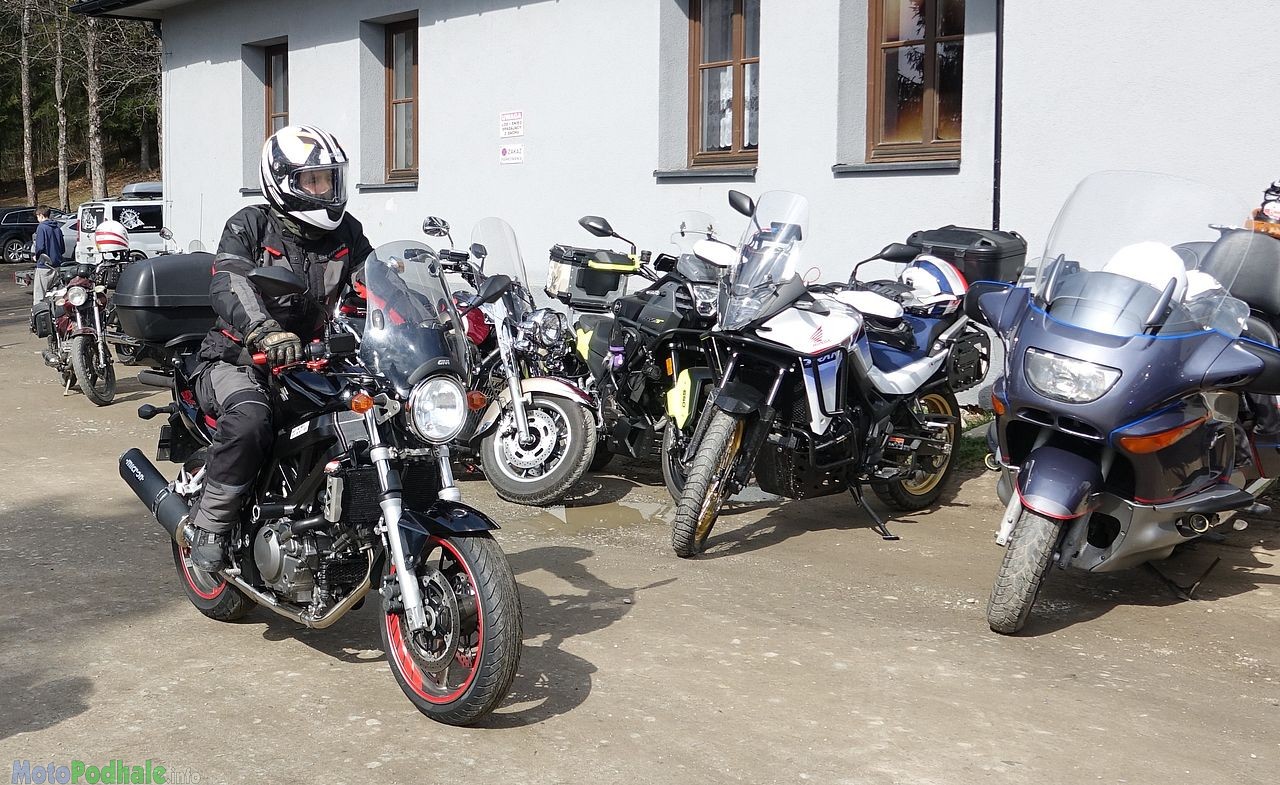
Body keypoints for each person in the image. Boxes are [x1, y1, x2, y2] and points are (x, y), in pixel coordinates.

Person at [186, 125, 373, 571]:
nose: (325, 190)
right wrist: (266, 331)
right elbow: (231, 281)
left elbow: (373, 283)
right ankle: (210, 525)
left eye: (330, 179)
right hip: (238, 358)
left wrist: (431, 318)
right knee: (251, 418)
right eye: (314, 180)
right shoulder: (250, 225)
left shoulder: (347, 233)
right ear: (283, 182)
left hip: (314, 360)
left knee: (374, 417)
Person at [31, 206, 66, 303]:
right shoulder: (57, 228)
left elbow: (40, 247)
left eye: (37, 217)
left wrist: (37, 256)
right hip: (57, 265)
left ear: (41, 215)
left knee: (39, 296)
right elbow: (62, 248)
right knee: (56, 295)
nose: (37, 219)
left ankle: (39, 312)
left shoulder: (42, 227)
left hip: (44, 265)